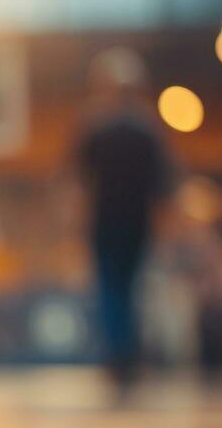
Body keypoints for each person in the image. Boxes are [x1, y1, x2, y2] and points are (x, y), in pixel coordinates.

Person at [74, 48, 175, 387]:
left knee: (112, 290)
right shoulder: (149, 128)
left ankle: (119, 352)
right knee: (129, 289)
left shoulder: (94, 125)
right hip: (135, 223)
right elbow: (165, 183)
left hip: (106, 222)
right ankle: (126, 350)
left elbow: (77, 179)